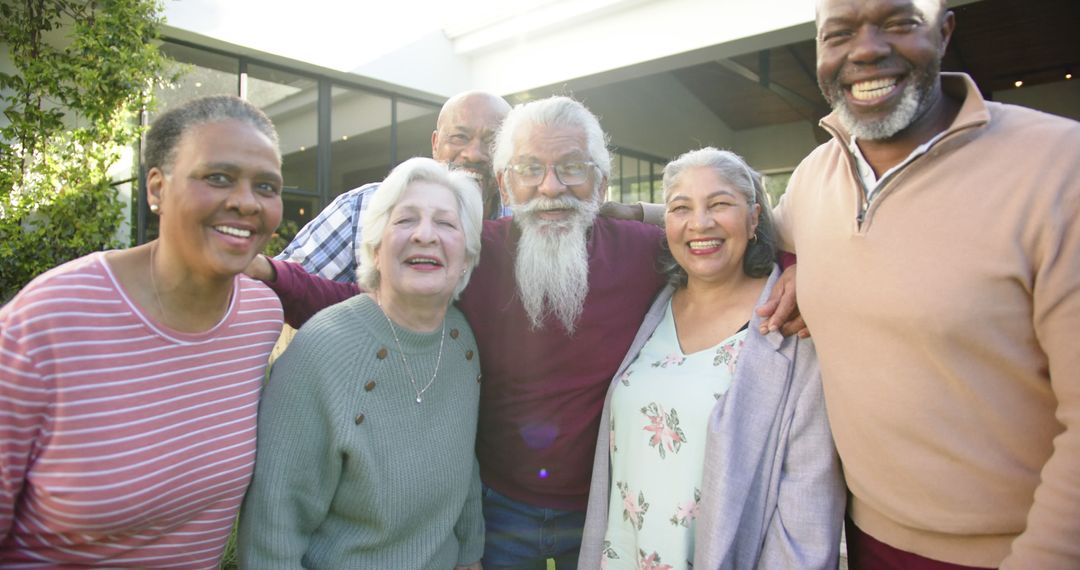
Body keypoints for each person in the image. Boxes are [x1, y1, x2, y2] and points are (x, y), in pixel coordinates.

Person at [246, 96, 670, 568]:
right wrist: (267, 271)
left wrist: (640, 212)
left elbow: (725, 232)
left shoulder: (646, 251)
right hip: (496, 506)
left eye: (572, 167)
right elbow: (378, 304)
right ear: (505, 184)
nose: (551, 186)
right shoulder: (474, 250)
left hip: (603, 506)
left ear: (601, 182)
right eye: (529, 168)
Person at [760, 0, 1080, 568]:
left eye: (897, 23)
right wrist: (610, 209)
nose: (865, 50)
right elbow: (741, 231)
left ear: (945, 31)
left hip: (1019, 548)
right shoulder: (816, 176)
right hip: (863, 537)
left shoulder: (1060, 167)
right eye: (840, 34)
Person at [0, 95, 285, 568]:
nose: (245, 202)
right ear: (157, 187)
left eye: (267, 186)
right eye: (218, 177)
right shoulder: (48, 320)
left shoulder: (259, 318)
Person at [577, 148, 844, 570]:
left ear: (755, 218)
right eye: (681, 208)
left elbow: (808, 507)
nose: (700, 223)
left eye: (720, 204)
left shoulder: (792, 329)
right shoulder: (651, 309)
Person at [237, 157, 485, 569]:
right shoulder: (321, 352)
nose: (425, 235)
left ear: (467, 257)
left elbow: (465, 473)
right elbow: (272, 533)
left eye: (446, 223)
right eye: (405, 220)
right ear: (374, 247)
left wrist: (470, 558)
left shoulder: (462, 340)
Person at [279, 90, 511, 283]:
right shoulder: (360, 208)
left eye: (492, 142)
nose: (473, 154)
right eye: (460, 137)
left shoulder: (525, 228)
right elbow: (286, 286)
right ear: (435, 143)